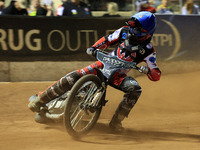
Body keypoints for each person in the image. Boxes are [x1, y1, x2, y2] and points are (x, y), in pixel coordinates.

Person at [28, 11, 161, 132]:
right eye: (132, 27)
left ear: (147, 33)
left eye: (137, 30)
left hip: (118, 76)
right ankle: (40, 99)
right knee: (74, 76)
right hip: (102, 64)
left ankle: (116, 122)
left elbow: (156, 75)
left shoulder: (149, 51)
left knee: (135, 90)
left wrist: (148, 71)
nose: (132, 31)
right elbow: (107, 40)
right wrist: (94, 48)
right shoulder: (124, 31)